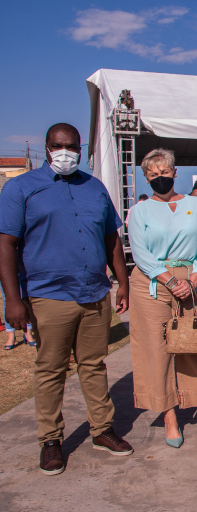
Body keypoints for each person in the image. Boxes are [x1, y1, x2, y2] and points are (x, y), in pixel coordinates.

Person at [0, 123, 133, 475]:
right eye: (59, 146)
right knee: (51, 369)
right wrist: (12, 300)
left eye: (72, 146)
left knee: (94, 365)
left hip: (93, 292)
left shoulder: (94, 188)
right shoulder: (21, 188)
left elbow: (111, 239)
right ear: (46, 148)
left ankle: (102, 430)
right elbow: (6, 244)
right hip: (48, 295)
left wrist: (123, 282)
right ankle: (50, 440)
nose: (66, 152)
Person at [128, 148, 197, 448]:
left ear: (175, 174)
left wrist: (195, 277)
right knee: (158, 351)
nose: (160, 179)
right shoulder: (140, 211)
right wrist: (171, 281)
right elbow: (140, 254)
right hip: (153, 284)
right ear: (146, 178)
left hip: (192, 282)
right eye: (153, 175)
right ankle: (169, 415)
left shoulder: (195, 205)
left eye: (165, 173)